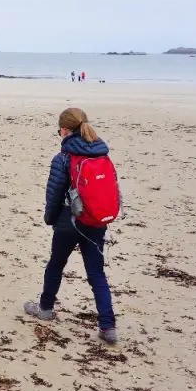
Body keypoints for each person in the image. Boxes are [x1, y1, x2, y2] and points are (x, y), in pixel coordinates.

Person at [24, 107, 118, 345]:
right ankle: (108, 326)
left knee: (56, 264)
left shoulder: (63, 158)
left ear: (65, 130)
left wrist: (49, 218)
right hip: (96, 221)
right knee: (96, 273)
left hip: (68, 221)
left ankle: (45, 308)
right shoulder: (102, 155)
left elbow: (54, 193)